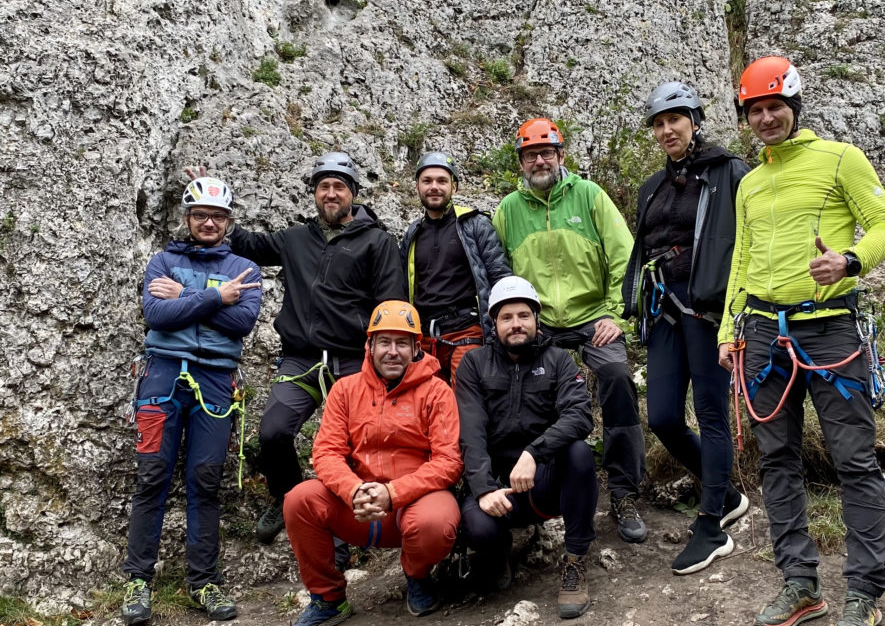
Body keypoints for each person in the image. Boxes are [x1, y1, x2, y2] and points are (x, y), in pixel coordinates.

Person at [717, 56, 885, 626]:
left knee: (852, 460)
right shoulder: (749, 181)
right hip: (764, 333)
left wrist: (848, 262)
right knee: (776, 461)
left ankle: (865, 590)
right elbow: (741, 261)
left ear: (795, 107)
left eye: (775, 107)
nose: (766, 118)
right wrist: (727, 332)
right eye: (755, 110)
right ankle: (800, 583)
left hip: (831, 332)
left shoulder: (841, 158)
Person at [205, 153, 405, 544]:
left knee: (357, 440)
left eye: (339, 187)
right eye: (323, 187)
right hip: (301, 356)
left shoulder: (377, 242)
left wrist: (382, 356)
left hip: (352, 357)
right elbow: (248, 244)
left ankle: (351, 515)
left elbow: (391, 303)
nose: (331, 194)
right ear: (313, 193)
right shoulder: (295, 239)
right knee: (273, 432)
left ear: (353, 194)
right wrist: (216, 204)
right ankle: (288, 497)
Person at [492, 119, 647, 544]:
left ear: (562, 155)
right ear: (521, 162)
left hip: (593, 315)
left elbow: (625, 258)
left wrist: (616, 315)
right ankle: (538, 489)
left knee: (616, 377)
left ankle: (623, 492)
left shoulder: (589, 196)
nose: (538, 160)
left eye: (546, 152)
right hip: (539, 324)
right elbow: (500, 274)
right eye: (530, 155)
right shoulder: (508, 210)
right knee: (524, 391)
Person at [621, 82, 751, 575]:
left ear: (695, 120)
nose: (667, 129)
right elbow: (644, 246)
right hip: (663, 312)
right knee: (664, 419)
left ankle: (711, 523)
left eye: (675, 119)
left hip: (710, 312)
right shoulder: (651, 187)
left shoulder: (729, 172)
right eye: (658, 122)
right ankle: (728, 494)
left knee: (712, 413)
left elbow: (748, 238)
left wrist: (740, 310)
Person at [280, 300, 463, 626]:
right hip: (360, 506)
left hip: (413, 505)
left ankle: (417, 575)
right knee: (299, 500)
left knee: (436, 522)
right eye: (384, 342)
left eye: (402, 343)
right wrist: (354, 490)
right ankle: (328, 600)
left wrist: (393, 493)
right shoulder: (345, 390)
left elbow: (448, 461)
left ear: (416, 348)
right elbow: (326, 452)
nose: (392, 352)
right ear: (370, 346)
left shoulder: (437, 391)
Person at [122, 177, 262, 625]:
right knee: (152, 477)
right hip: (163, 375)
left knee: (205, 480)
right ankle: (137, 582)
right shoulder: (163, 260)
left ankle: (204, 582)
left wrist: (186, 296)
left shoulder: (246, 268)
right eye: (200, 215)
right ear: (187, 218)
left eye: (217, 216)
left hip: (216, 380)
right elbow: (155, 314)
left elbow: (242, 322)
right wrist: (214, 298)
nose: (208, 222)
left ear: (228, 222)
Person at [456, 276, 597, 619]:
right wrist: (484, 489)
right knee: (478, 527)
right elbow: (470, 433)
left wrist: (534, 453)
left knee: (579, 452)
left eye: (523, 315)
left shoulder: (558, 360)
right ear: (494, 323)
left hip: (544, 480)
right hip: (499, 485)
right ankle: (498, 549)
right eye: (506, 317)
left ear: (536, 318)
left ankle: (575, 563)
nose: (516, 324)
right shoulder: (474, 364)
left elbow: (579, 415)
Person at [399, 151, 511, 384]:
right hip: (425, 338)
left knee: (464, 401)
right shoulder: (413, 233)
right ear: (417, 187)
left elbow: (500, 276)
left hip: (467, 332)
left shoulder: (474, 224)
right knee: (426, 408)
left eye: (442, 181)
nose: (434, 187)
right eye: (427, 181)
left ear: (454, 187)